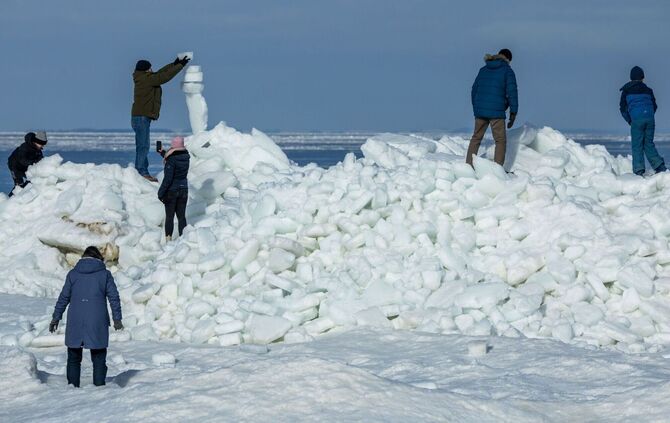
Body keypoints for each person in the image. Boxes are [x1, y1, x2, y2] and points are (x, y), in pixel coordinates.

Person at [49, 246, 123, 387]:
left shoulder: (73, 274)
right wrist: (117, 318)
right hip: (97, 320)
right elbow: (114, 297)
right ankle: (99, 387)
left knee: (73, 357)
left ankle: (72, 387)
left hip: (75, 320)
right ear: (98, 258)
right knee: (99, 356)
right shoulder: (105, 275)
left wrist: (56, 317)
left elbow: (64, 297)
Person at [132, 56, 190, 182]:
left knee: (142, 145)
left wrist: (174, 64)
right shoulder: (146, 80)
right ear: (146, 70)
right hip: (141, 117)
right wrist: (180, 66)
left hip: (140, 117)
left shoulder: (143, 77)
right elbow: (163, 77)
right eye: (150, 68)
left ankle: (140, 170)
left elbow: (159, 73)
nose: (152, 69)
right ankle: (141, 172)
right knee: (143, 146)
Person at [466, 48, 518, 167]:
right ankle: (497, 170)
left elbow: (474, 90)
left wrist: (476, 107)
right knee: (500, 141)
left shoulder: (483, 70)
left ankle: (468, 166)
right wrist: (513, 113)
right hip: (497, 113)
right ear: (508, 59)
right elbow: (512, 93)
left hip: (480, 111)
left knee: (476, 138)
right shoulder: (507, 71)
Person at [619, 66, 666, 176]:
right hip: (650, 119)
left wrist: (630, 120)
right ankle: (660, 167)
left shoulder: (626, 91)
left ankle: (639, 171)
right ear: (642, 77)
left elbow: (623, 108)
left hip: (637, 120)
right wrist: (648, 116)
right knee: (648, 143)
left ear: (631, 78)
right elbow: (654, 106)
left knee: (637, 145)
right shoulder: (648, 90)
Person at [157, 136, 190, 240]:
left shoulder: (171, 159)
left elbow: (168, 179)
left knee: (170, 217)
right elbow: (173, 156)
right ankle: (183, 239)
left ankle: (168, 241)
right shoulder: (186, 156)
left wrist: (160, 193)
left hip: (172, 191)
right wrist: (162, 153)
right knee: (181, 217)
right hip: (184, 189)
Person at [7, 131, 47, 196]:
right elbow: (22, 160)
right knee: (19, 184)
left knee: (31, 180)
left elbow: (41, 159)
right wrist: (34, 162)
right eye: (41, 144)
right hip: (14, 166)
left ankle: (25, 195)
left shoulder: (38, 150)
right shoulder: (25, 147)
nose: (42, 146)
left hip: (25, 167)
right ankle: (9, 200)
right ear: (36, 141)